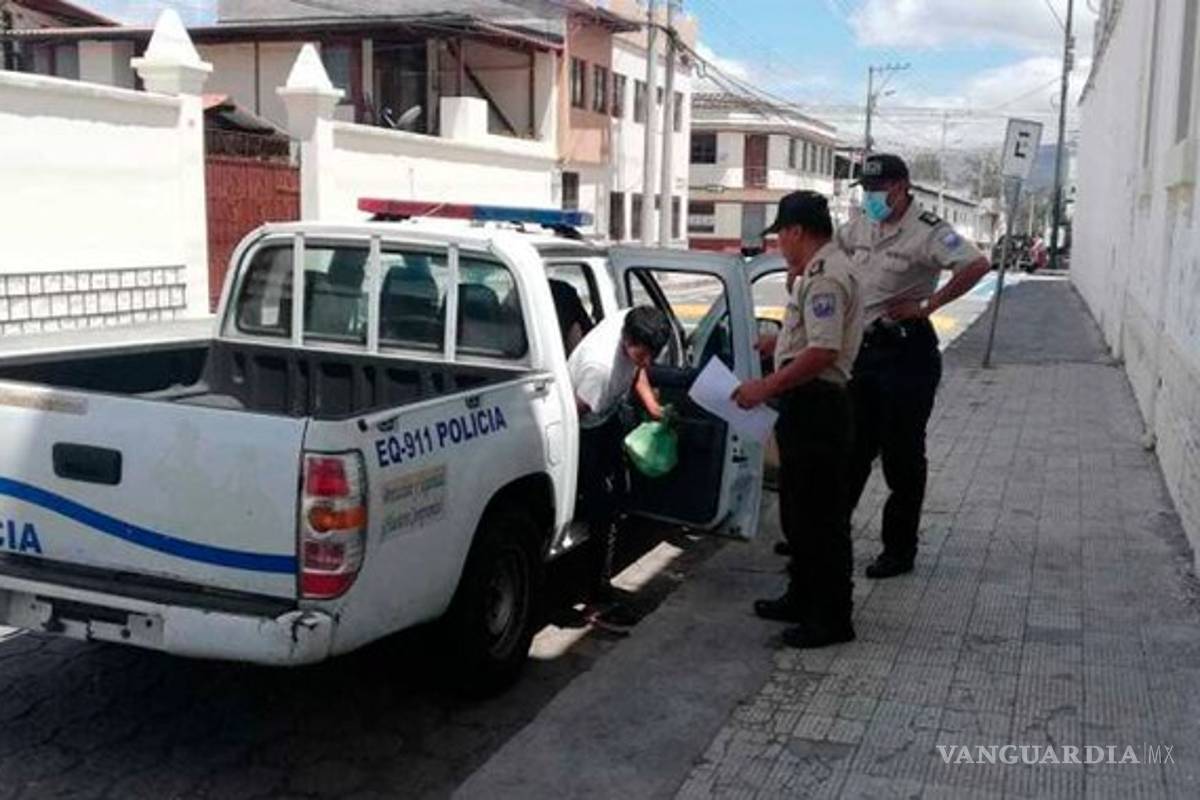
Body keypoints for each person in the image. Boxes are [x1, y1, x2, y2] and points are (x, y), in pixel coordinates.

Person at [839, 154, 991, 579]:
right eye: (866, 190)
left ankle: (899, 550)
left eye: (879, 189)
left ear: (902, 186)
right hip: (864, 352)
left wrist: (929, 305)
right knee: (852, 449)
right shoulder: (862, 224)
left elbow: (976, 264)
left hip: (905, 354)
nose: (871, 197)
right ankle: (833, 531)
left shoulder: (928, 231)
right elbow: (836, 246)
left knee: (901, 457)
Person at [732, 191, 863, 649]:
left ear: (796, 232)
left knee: (820, 519)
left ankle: (830, 619)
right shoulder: (814, 272)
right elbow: (812, 339)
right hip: (809, 404)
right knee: (799, 512)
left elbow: (824, 351)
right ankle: (802, 596)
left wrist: (764, 388)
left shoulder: (825, 277)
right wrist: (779, 347)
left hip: (818, 407)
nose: (779, 245)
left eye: (781, 236)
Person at [568, 305, 670, 612]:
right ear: (626, 340)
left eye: (653, 355)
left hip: (606, 417)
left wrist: (652, 406)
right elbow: (571, 414)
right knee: (603, 508)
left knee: (618, 495)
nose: (647, 362)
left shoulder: (634, 322)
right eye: (642, 355)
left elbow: (638, 370)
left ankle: (599, 572)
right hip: (584, 430)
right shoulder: (599, 369)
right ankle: (594, 593)